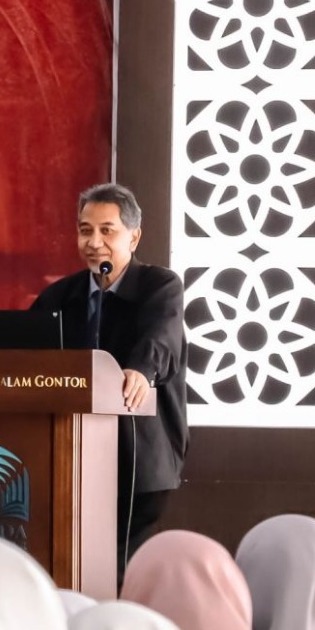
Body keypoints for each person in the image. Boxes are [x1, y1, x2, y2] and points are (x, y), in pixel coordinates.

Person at [30, 183, 187, 565]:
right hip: (68, 460)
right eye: (85, 230)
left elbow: (161, 340)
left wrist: (139, 370)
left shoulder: (159, 286)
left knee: (115, 567)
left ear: (134, 237)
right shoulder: (60, 296)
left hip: (137, 460)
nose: (94, 241)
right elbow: (26, 353)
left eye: (107, 230)